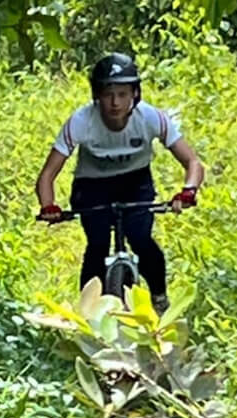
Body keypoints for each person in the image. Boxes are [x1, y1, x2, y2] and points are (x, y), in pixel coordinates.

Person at [35, 53, 206, 304]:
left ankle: (159, 298)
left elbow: (192, 162)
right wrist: (48, 206)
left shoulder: (150, 118)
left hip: (135, 184)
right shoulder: (81, 122)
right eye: (108, 94)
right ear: (97, 95)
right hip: (92, 186)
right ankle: (89, 311)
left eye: (123, 94)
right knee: (98, 246)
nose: (115, 103)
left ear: (135, 94)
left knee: (141, 239)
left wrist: (188, 191)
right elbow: (47, 174)